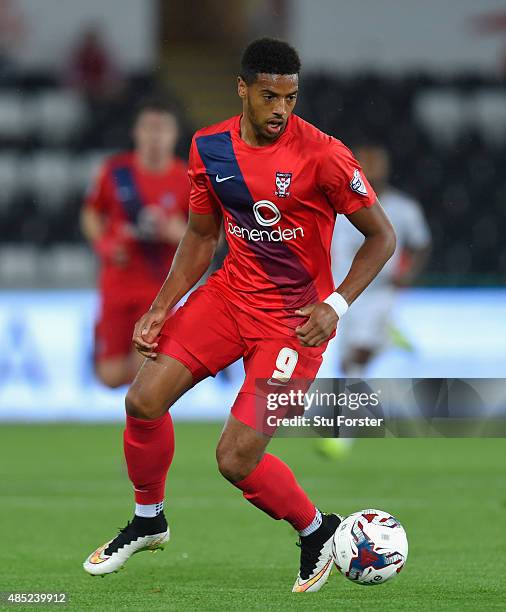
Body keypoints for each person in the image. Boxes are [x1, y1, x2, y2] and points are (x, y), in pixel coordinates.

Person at [83, 38, 396, 592]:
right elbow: (202, 237)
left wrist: (335, 303)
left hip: (295, 323)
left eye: (291, 97)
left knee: (235, 459)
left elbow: (381, 237)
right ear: (243, 90)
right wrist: (162, 306)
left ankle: (317, 530)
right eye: (270, 96)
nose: (281, 109)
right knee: (142, 400)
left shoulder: (324, 154)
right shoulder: (209, 147)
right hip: (227, 299)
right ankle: (149, 520)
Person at [81, 99, 189, 388]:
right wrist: (104, 244)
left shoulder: (187, 179)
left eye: (162, 129)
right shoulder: (115, 172)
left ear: (174, 134)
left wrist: (177, 233)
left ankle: (141, 420)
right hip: (117, 282)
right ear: (136, 132)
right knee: (110, 377)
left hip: (159, 289)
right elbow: (91, 213)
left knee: (146, 374)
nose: (155, 136)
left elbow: (210, 238)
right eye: (149, 128)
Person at [332, 143, 431, 378]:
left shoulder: (404, 208)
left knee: (360, 352)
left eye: (377, 163)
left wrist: (408, 274)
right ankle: (387, 340)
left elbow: (421, 244)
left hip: (380, 289)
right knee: (346, 364)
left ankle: (353, 409)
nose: (373, 169)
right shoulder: (335, 205)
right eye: (367, 162)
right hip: (342, 290)